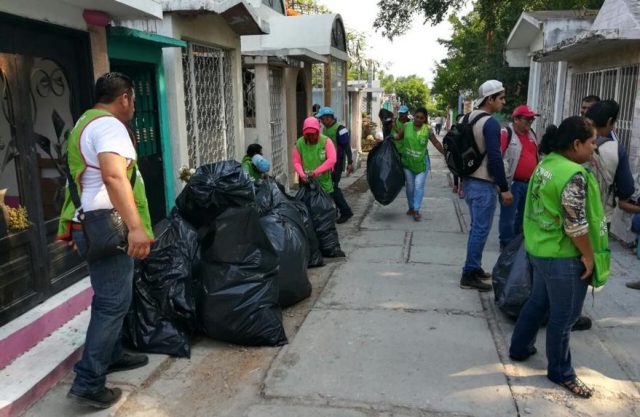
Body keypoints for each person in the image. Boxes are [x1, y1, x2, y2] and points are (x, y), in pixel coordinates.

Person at [57, 72, 153, 408]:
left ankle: (111, 353)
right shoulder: (110, 125)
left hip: (91, 223)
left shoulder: (85, 122)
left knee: (108, 298)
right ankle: (89, 380)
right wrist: (137, 227)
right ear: (125, 97)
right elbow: (113, 176)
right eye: (133, 100)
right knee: (113, 303)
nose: (133, 106)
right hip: (108, 223)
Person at [509, 116, 606, 399]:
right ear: (576, 144)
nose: (594, 148)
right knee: (565, 317)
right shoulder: (572, 175)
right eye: (591, 143)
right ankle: (561, 371)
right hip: (562, 256)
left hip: (540, 248)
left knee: (538, 301)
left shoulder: (547, 164)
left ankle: (519, 348)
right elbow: (576, 225)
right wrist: (588, 257)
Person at [460, 80, 512, 292]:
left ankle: (474, 267)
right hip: (483, 184)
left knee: (476, 228)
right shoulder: (490, 123)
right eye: (500, 98)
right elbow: (495, 158)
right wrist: (504, 187)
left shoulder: (466, 118)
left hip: (469, 181)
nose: (503, 102)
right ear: (489, 99)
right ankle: (469, 273)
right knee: (480, 230)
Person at [293, 117, 345, 257]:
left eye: (313, 134)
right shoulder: (300, 143)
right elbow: (296, 161)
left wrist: (315, 172)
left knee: (325, 217)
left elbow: (332, 160)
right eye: (308, 135)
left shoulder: (325, 141)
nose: (310, 137)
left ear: (317, 131)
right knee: (309, 218)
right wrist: (302, 173)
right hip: (306, 185)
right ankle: (313, 248)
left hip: (324, 185)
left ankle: (329, 247)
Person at [498, 105, 540, 249]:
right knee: (508, 217)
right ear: (516, 119)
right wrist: (502, 185)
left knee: (523, 216)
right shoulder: (506, 134)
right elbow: (498, 158)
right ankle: (506, 245)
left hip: (529, 183)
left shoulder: (531, 134)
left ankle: (517, 243)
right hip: (513, 183)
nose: (530, 121)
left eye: (532, 119)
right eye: (527, 119)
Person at [395, 107, 444, 221]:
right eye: (417, 117)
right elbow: (398, 137)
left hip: (422, 163)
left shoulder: (428, 129)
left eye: (421, 118)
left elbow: (436, 142)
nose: (418, 119)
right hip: (408, 162)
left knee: (418, 186)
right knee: (410, 187)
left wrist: (445, 154)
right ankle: (411, 207)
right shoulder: (406, 126)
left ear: (425, 119)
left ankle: (416, 209)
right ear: (414, 116)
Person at [316, 107, 354, 224]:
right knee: (330, 187)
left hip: (337, 162)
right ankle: (335, 211)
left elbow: (347, 146)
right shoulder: (326, 129)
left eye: (322, 119)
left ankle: (346, 212)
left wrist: (350, 162)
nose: (321, 121)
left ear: (328, 118)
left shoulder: (340, 129)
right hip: (327, 163)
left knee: (333, 187)